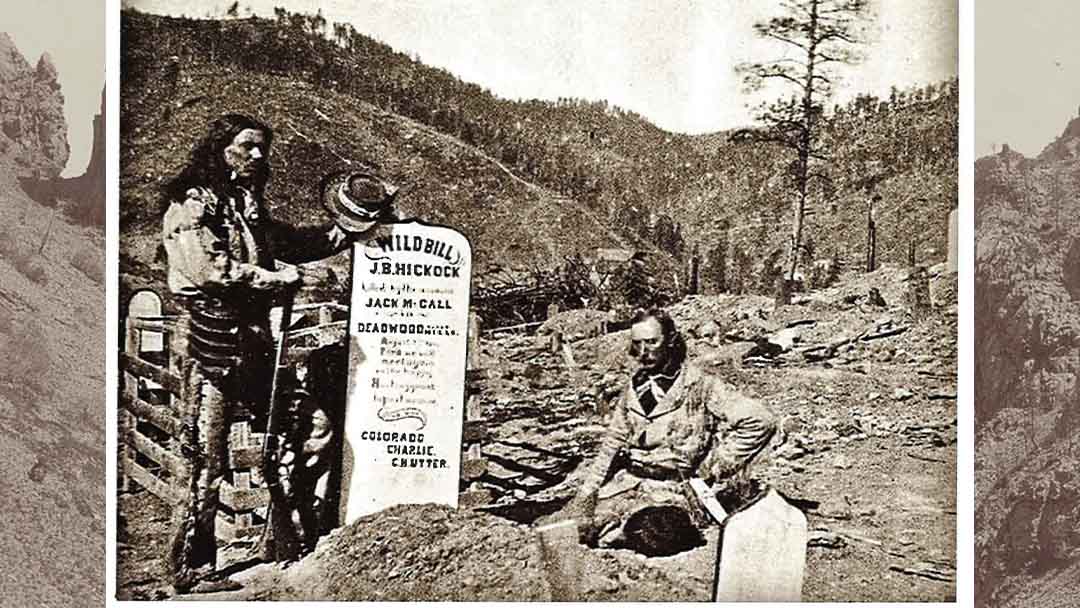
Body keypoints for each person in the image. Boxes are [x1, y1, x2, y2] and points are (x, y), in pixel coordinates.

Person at [161, 113, 396, 593]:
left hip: (254, 346)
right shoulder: (191, 205)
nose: (258, 156)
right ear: (220, 147)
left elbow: (287, 241)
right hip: (210, 345)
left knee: (313, 428)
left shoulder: (246, 206)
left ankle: (295, 537)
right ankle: (191, 567)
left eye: (262, 147)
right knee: (206, 458)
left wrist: (349, 226)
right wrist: (276, 280)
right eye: (247, 146)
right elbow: (208, 269)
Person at [563, 308, 777, 556]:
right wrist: (587, 493)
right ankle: (610, 531)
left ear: (671, 340)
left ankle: (618, 535)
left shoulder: (701, 385)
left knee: (655, 532)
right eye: (638, 343)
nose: (645, 351)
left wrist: (713, 466)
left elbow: (760, 421)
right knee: (571, 529)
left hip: (674, 491)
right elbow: (612, 444)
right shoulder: (634, 386)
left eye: (652, 342)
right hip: (627, 484)